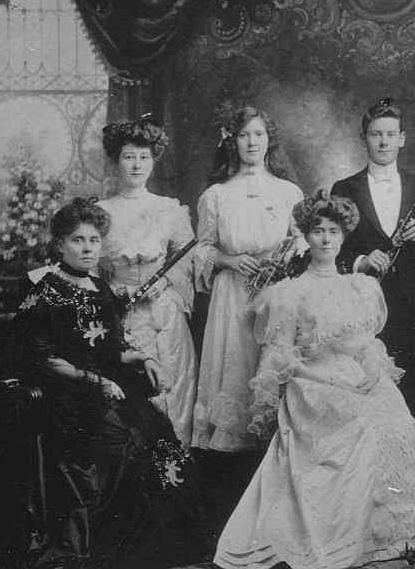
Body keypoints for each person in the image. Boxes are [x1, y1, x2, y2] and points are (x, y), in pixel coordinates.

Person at [214, 191, 415, 569]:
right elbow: (281, 356)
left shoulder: (361, 287)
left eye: (333, 231)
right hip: (313, 383)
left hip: (357, 376)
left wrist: (371, 373)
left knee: (390, 417)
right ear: (306, 235)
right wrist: (324, 379)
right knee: (354, 424)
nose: (325, 239)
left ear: (343, 237)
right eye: (317, 230)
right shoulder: (288, 294)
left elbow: (366, 344)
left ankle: (386, 533)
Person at [14, 198, 208, 568]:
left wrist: (146, 357)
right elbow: (43, 357)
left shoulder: (100, 288)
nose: (87, 248)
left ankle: (153, 548)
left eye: (93, 241)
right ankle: (102, 546)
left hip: (106, 384)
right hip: (64, 389)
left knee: (156, 432)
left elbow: (113, 348)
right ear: (59, 244)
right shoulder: (42, 289)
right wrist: (95, 381)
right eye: (77, 240)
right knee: (118, 438)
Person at [193, 105, 305, 452]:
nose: (251, 142)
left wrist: (283, 258)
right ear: (232, 141)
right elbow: (201, 250)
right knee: (237, 366)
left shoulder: (288, 193)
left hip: (276, 290)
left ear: (269, 140)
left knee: (271, 364)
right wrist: (229, 259)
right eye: (243, 135)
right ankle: (231, 454)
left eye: (258, 134)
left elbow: (302, 239)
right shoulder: (216, 195)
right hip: (233, 294)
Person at [331, 98, 415, 424]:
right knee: (368, 381)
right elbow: (331, 247)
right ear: (364, 138)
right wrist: (362, 261)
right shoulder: (344, 187)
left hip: (410, 301)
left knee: (412, 386)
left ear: (402, 139)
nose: (383, 141)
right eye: (376, 134)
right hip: (365, 300)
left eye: (390, 134)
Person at [97, 115, 198, 447]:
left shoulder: (168, 209)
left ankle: (176, 480)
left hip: (164, 315)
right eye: (128, 156)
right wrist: (111, 291)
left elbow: (187, 258)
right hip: (120, 316)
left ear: (153, 160)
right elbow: (91, 270)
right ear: (116, 160)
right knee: (132, 403)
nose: (136, 165)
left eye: (144, 157)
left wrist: (166, 282)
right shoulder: (101, 212)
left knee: (173, 394)